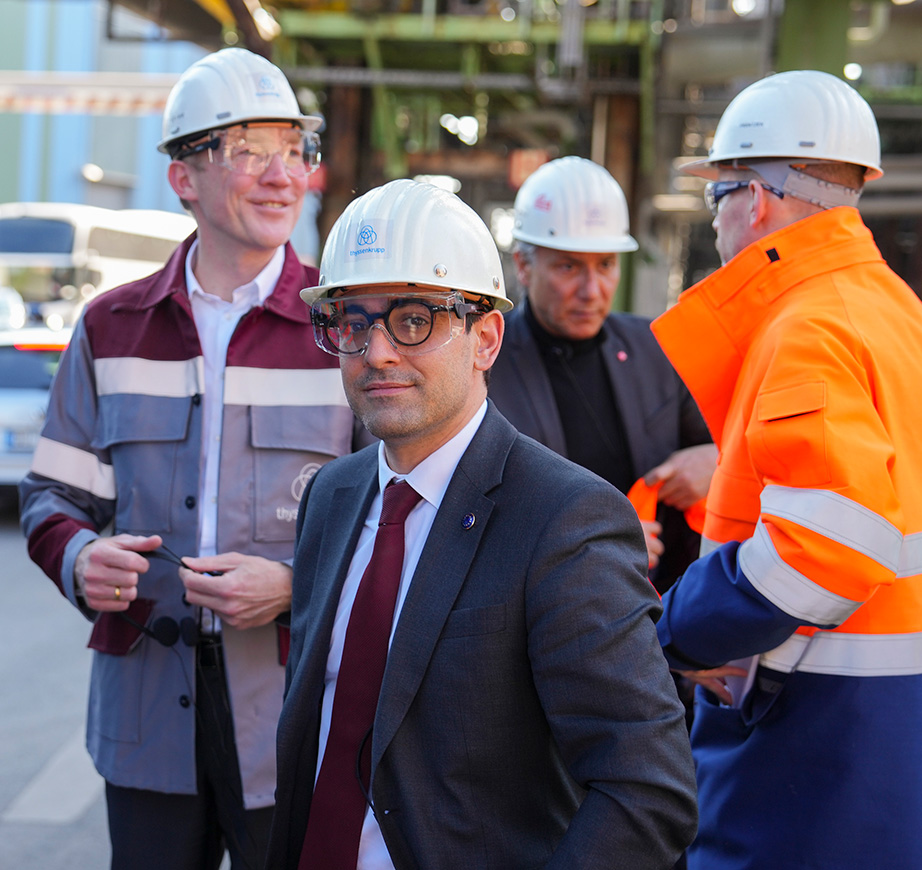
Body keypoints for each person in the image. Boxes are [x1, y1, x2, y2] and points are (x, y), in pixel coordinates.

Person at [265, 178, 698, 870]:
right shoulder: (332, 498)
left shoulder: (564, 520)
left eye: (415, 319)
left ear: (486, 337)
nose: (377, 353)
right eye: (352, 320)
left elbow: (647, 788)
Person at [19, 48, 359, 870]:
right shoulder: (111, 327)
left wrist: (293, 589)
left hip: (288, 716)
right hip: (144, 713)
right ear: (184, 175)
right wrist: (80, 557)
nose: (283, 175)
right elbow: (50, 498)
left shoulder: (346, 331)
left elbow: (399, 517)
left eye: (294, 149)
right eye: (248, 150)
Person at [650, 69, 922, 869]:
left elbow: (824, 547)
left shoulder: (807, 326)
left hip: (813, 742)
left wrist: (679, 625)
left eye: (717, 197)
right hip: (885, 740)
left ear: (756, 200)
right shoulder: (896, 311)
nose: (720, 222)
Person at [488, 156, 716, 593]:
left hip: (655, 611)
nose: (592, 291)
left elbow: (733, 447)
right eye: (569, 267)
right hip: (536, 612)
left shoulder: (655, 348)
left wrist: (716, 461)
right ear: (523, 265)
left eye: (606, 265)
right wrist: (596, 541)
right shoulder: (484, 369)